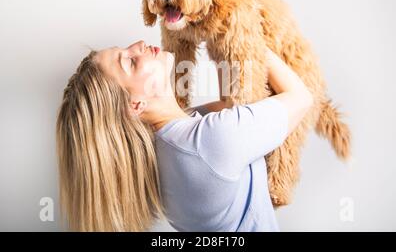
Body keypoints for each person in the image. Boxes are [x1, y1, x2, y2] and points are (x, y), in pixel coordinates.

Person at [56, 40, 313, 232]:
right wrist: (243, 34)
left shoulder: (169, 147)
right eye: (131, 62)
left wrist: (218, 41)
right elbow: (301, 98)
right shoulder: (207, 143)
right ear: (135, 105)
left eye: (126, 49)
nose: (138, 45)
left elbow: (232, 105)